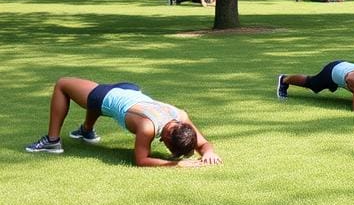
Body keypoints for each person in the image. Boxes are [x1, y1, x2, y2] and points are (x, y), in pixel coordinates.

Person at [24, 78, 222, 167]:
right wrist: (174, 165)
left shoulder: (180, 116)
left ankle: (86, 131)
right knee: (62, 84)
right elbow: (141, 160)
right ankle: (52, 141)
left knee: (98, 104)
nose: (165, 147)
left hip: (130, 91)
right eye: (170, 147)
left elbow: (203, 144)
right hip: (110, 95)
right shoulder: (148, 127)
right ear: (169, 136)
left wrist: (209, 152)